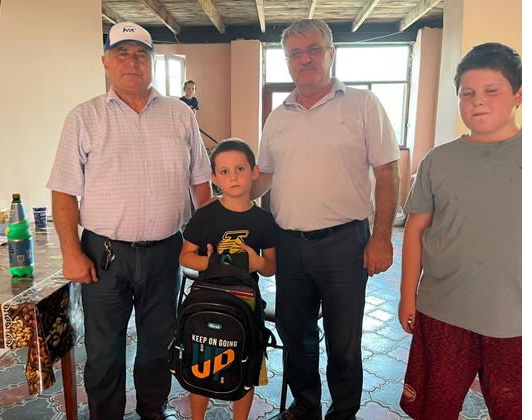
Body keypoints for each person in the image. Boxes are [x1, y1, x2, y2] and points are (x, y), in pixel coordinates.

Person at [46, 22, 212, 420]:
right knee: (104, 351)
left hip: (166, 252)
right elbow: (64, 191)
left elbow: (201, 183)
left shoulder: (180, 114)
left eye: (141, 54)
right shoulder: (84, 117)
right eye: (122, 53)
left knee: (159, 343)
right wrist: (71, 252)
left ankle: (153, 409)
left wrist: (207, 242)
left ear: (152, 62)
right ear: (105, 62)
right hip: (104, 256)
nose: (132, 61)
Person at [253, 19, 400, 420]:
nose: (305, 59)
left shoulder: (363, 104)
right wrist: (229, 194)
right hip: (289, 246)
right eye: (295, 53)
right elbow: (264, 176)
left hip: (345, 244)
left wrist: (382, 237)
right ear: (287, 61)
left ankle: (344, 410)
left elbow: (388, 172)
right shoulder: (277, 117)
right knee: (295, 334)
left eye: (313, 49)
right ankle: (305, 406)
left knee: (343, 338)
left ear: (331, 53)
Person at [397, 42, 522, 420]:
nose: (478, 101)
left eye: (491, 91)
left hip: (514, 318)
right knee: (434, 407)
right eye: (467, 93)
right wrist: (407, 295)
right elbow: (415, 230)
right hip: (442, 310)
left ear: (518, 95)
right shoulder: (438, 160)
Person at [179, 138, 277, 420]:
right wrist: (210, 262)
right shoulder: (205, 216)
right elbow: (185, 257)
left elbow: (271, 267)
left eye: (240, 169)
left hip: (246, 305)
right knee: (201, 365)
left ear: (254, 171)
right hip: (207, 300)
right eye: (224, 171)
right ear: (214, 178)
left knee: (247, 367)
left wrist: (258, 263)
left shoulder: (264, 220)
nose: (233, 177)